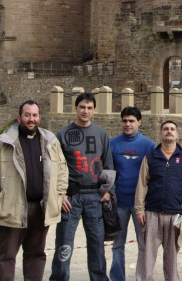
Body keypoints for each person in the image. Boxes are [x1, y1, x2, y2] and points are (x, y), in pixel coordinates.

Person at [0, 100, 68, 281]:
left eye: (35, 115)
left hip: (40, 209)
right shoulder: (3, 142)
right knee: (7, 256)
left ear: (39, 118)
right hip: (11, 208)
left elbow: (62, 170)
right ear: (19, 117)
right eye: (27, 115)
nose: (31, 119)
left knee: (36, 254)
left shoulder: (50, 142)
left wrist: (58, 197)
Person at [50, 92, 114, 281]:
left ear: (94, 110)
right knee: (64, 241)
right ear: (76, 108)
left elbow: (108, 165)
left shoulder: (101, 134)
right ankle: (59, 277)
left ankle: (99, 278)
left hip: (95, 195)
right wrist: (60, 195)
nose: (85, 111)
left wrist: (107, 191)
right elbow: (54, 168)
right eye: (82, 107)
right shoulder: (62, 135)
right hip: (71, 196)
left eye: (89, 108)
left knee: (96, 242)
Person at [134, 120, 182, 281]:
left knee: (171, 258)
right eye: (166, 129)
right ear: (160, 134)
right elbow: (142, 184)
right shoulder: (150, 157)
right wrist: (140, 209)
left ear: (177, 134)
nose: (169, 131)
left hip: (175, 214)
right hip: (152, 213)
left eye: (172, 129)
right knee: (147, 255)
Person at [109, 106, 156, 281]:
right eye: (125, 121)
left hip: (140, 206)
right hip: (118, 202)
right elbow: (108, 172)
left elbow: (152, 175)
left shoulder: (148, 145)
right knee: (117, 245)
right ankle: (117, 278)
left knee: (143, 244)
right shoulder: (112, 144)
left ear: (139, 122)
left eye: (131, 121)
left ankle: (142, 277)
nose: (127, 124)